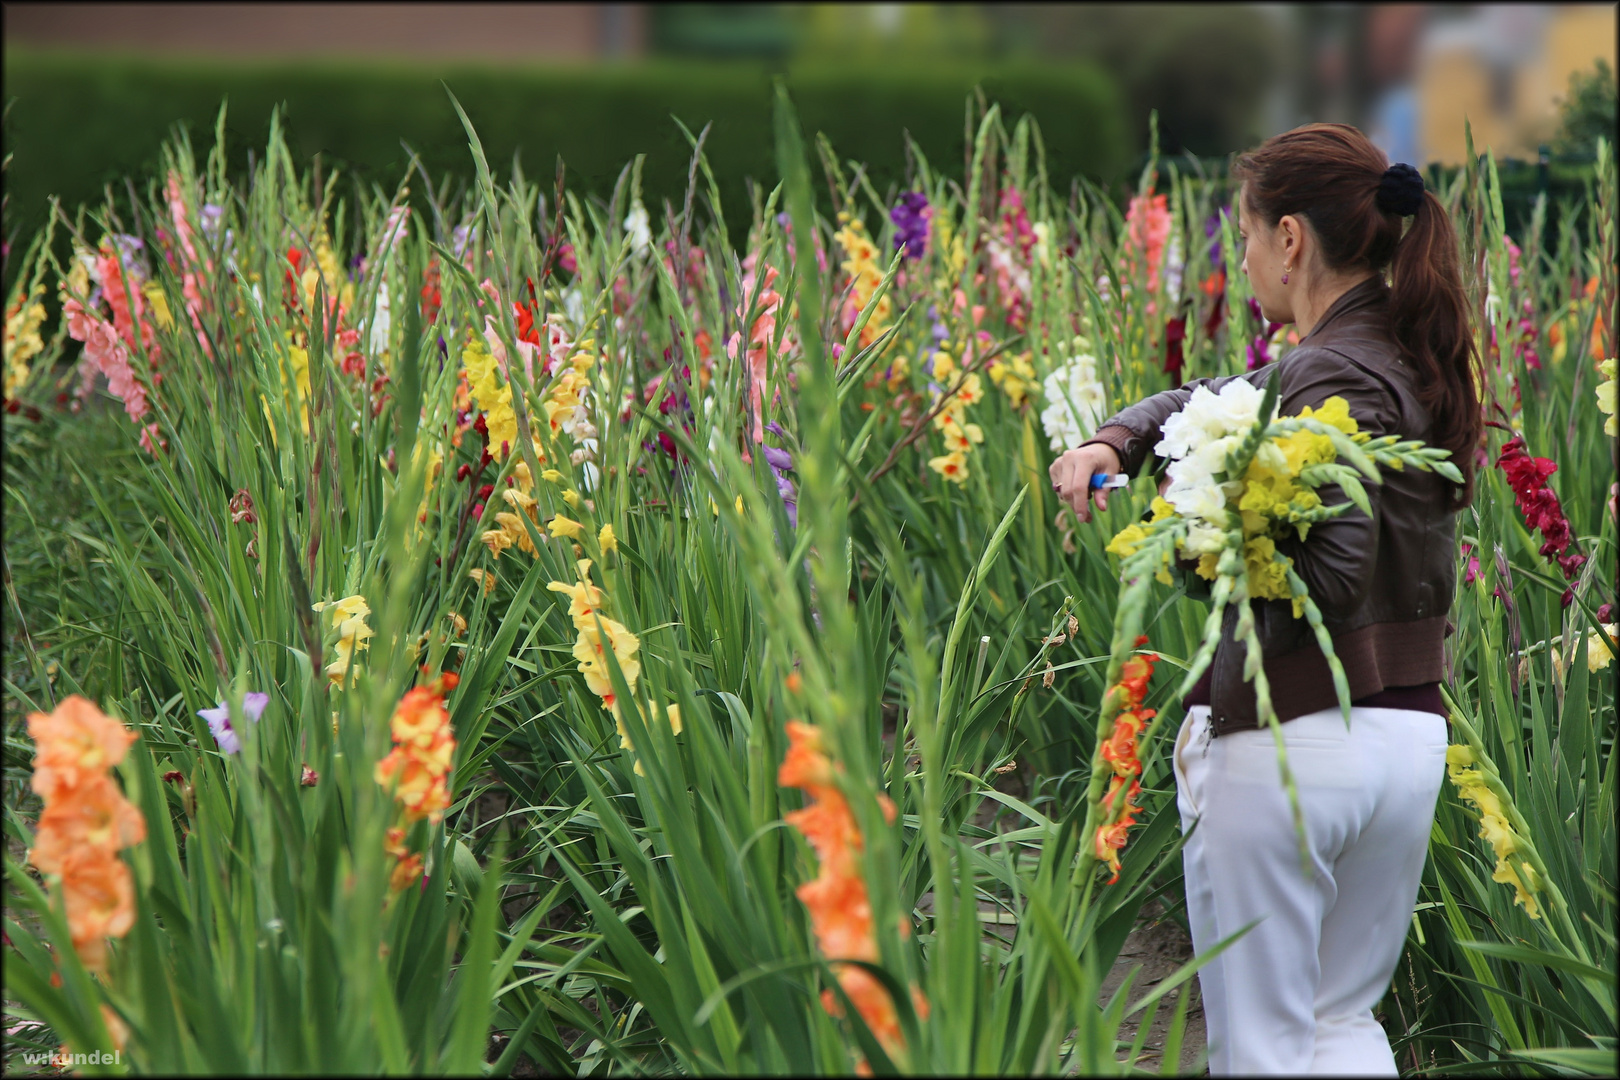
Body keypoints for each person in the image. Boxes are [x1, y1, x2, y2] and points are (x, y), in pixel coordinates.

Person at [1049, 123, 1481, 1076]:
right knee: (1340, 1029)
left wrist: (1200, 531)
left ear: (1290, 239)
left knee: (1264, 1051)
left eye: (1244, 235)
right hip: (1402, 740)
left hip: (1292, 740)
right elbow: (1218, 396)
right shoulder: (1400, 355)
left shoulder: (1327, 370)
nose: (1242, 258)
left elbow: (1329, 570)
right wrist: (1116, 442)